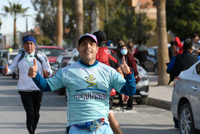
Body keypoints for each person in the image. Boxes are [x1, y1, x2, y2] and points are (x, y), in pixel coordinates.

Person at [27, 33, 136, 134]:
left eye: (91, 44)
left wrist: (129, 74)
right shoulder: (67, 71)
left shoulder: (109, 71)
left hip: (102, 128)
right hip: (76, 128)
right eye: (84, 44)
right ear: (78, 49)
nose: (88, 46)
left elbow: (129, 90)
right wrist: (35, 76)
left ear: (97, 49)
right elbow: (46, 86)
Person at [3, 34, 52, 134]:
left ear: (34, 45)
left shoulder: (40, 56)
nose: (29, 46)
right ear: (23, 45)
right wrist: (6, 70)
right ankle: (31, 132)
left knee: (36, 114)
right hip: (24, 89)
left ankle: (33, 129)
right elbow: (11, 69)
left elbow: (48, 69)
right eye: (26, 44)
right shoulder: (19, 56)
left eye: (31, 43)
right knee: (30, 113)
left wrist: (47, 73)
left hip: (38, 89)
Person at [94, 30, 124, 134]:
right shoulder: (113, 54)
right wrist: (123, 90)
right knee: (108, 114)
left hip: (96, 90)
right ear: (106, 40)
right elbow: (120, 73)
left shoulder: (94, 54)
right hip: (110, 90)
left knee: (101, 116)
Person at [167, 40, 200, 130]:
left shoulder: (176, 58)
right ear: (191, 48)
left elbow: (169, 69)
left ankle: (177, 124)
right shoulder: (198, 58)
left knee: (178, 101)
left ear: (183, 47)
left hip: (180, 82)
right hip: (193, 81)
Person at [117, 44, 140, 110]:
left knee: (130, 92)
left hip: (129, 77)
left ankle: (130, 105)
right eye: (122, 49)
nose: (123, 50)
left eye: (125, 49)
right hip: (122, 77)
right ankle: (121, 103)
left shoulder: (130, 58)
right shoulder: (120, 58)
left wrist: (130, 73)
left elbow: (134, 69)